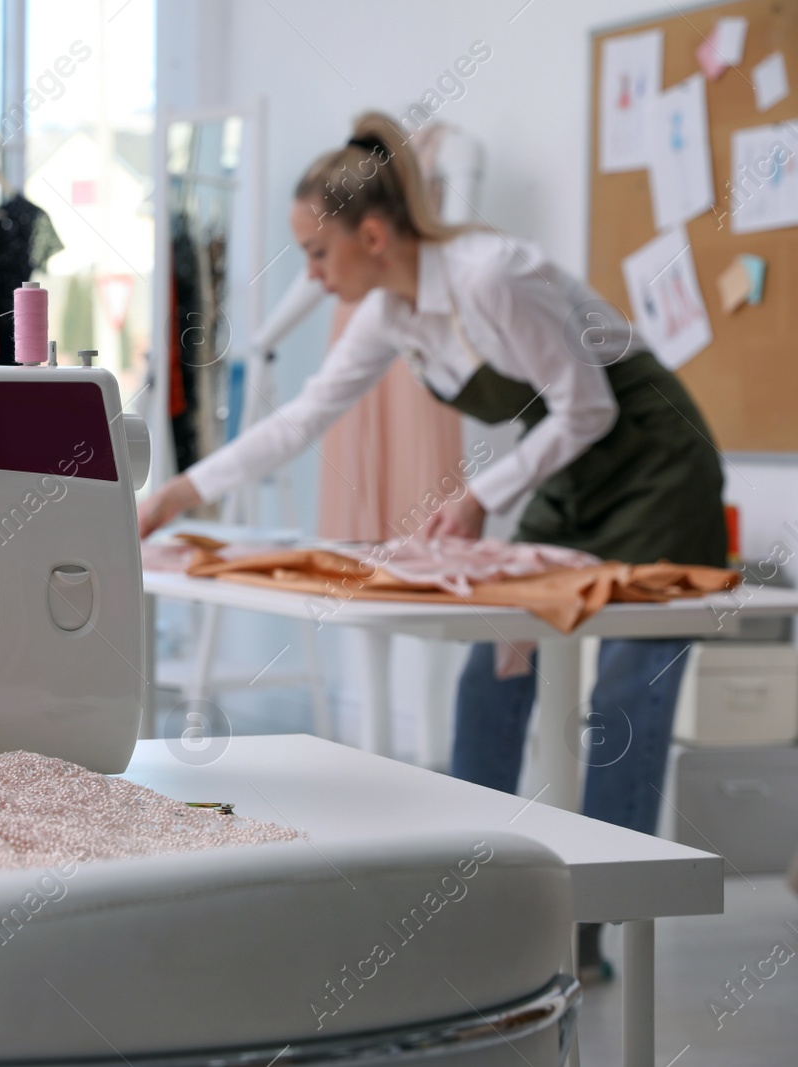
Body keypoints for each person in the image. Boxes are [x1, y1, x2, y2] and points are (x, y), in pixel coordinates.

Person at [138, 112, 726, 970]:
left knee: (627, 696)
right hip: (569, 471)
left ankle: (590, 933)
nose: (310, 271)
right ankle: (471, 891)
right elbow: (304, 417)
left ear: (372, 234)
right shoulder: (392, 311)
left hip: (653, 463)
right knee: (496, 667)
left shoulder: (492, 277)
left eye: (316, 251)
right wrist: (180, 494)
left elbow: (592, 407)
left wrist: (481, 495)